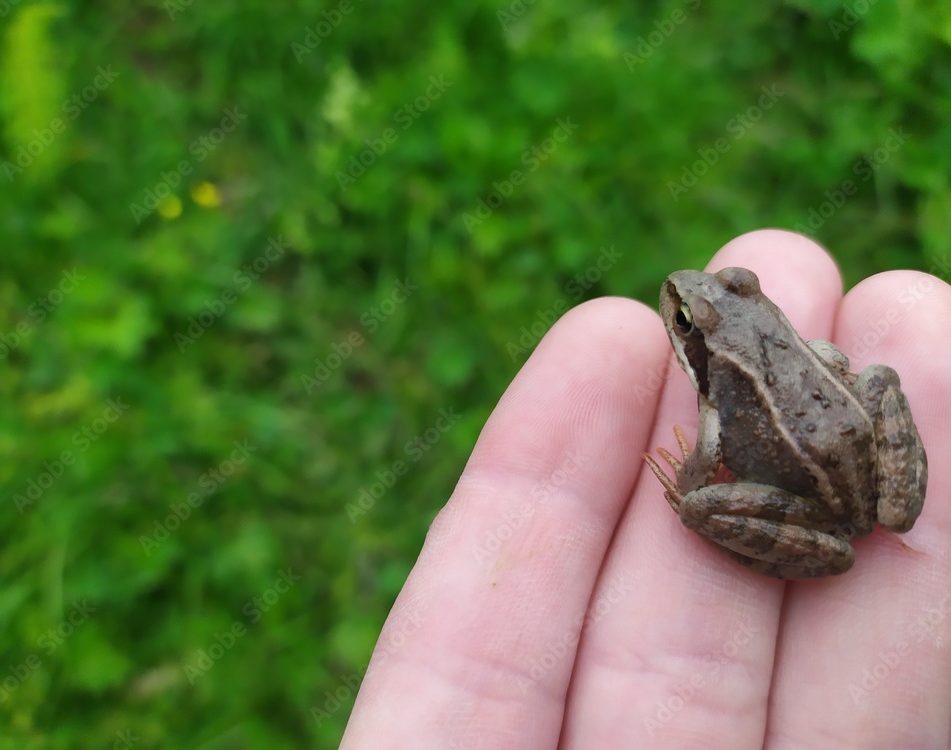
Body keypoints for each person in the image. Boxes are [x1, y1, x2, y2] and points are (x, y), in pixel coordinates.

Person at [339, 230, 951, 748]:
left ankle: (730, 511)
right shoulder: (799, 343)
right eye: (686, 317)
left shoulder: (717, 395)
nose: (683, 297)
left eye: (685, 320)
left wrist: (687, 488)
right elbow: (825, 357)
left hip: (816, 501)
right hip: (855, 461)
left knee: (698, 504)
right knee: (875, 379)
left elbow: (710, 458)